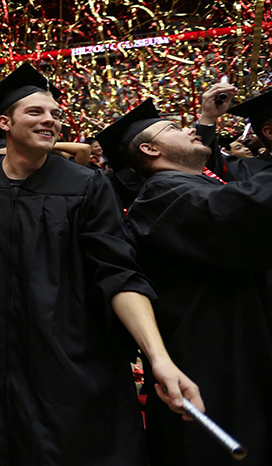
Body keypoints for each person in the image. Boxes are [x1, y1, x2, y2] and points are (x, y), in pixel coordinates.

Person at [0, 63, 202, 466]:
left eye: (54, 113)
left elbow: (118, 273)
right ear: (5, 122)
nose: (50, 119)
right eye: (35, 112)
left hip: (68, 360)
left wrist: (158, 358)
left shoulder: (84, 185)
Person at [98, 98, 272, 466]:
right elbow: (241, 214)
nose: (191, 128)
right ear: (150, 149)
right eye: (175, 128)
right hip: (214, 369)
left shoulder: (195, 185)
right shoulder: (159, 196)